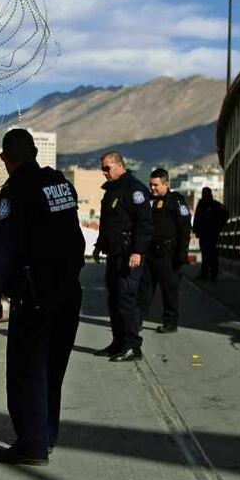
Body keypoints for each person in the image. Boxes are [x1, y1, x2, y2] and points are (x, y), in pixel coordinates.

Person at [0, 129, 84, 465]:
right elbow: (75, 238)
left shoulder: (14, 192)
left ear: (5, 158)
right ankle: (46, 435)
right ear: (35, 153)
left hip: (35, 294)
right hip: (68, 290)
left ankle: (32, 443)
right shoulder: (60, 184)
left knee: (27, 370)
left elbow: (6, 252)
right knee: (53, 368)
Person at [91, 151, 153, 362]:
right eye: (102, 169)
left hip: (129, 255)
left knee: (126, 299)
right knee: (114, 299)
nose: (104, 173)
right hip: (114, 253)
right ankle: (118, 343)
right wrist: (99, 246)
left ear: (119, 165)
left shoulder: (135, 189)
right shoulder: (111, 190)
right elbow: (107, 222)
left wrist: (138, 251)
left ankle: (132, 346)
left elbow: (145, 223)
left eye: (107, 168)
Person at [139, 168, 191, 333]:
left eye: (156, 185)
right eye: (151, 185)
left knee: (169, 290)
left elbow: (185, 226)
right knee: (144, 289)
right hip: (150, 253)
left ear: (166, 184)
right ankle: (136, 321)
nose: (152, 188)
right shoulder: (147, 200)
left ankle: (170, 322)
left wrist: (182, 252)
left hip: (169, 254)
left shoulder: (176, 201)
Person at [192, 187, 228, 280]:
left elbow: (225, 213)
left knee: (211, 252)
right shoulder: (202, 204)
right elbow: (197, 218)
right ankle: (206, 272)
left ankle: (212, 272)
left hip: (212, 233)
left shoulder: (214, 205)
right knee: (206, 252)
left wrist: (219, 226)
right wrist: (196, 230)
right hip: (205, 233)